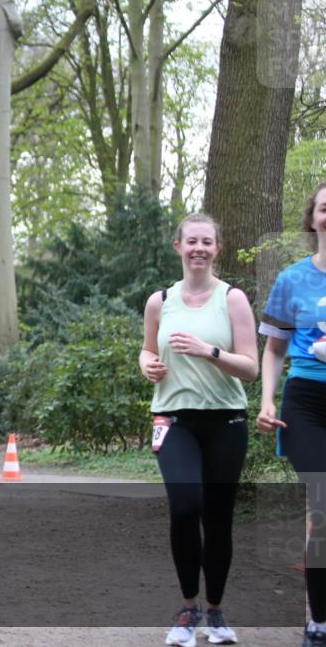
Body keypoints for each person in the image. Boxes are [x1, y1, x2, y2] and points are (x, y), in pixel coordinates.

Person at [139, 213, 258, 647]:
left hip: (226, 420)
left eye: (207, 242)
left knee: (218, 517)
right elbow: (146, 349)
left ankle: (216, 610)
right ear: (178, 246)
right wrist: (147, 365)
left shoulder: (233, 300)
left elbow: (251, 368)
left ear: (217, 248)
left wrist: (209, 351)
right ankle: (188, 609)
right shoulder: (160, 301)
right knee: (186, 506)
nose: (199, 249)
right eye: (192, 241)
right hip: (174, 419)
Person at [257, 183, 326, 647]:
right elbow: (274, 349)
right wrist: (267, 400)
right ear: (312, 218)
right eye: (325, 207)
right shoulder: (291, 280)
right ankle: (318, 623)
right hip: (306, 403)